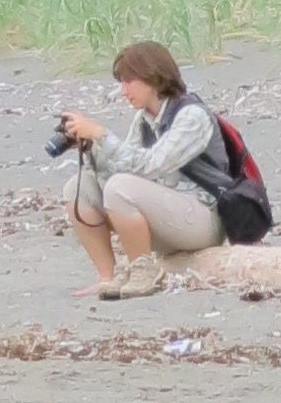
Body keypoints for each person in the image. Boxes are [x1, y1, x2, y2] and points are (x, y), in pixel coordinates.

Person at [55, 41, 242, 297]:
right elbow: (122, 169)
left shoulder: (192, 116)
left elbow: (151, 165)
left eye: (128, 81)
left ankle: (142, 270)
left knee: (120, 188)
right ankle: (108, 276)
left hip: (204, 218)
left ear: (153, 76)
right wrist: (92, 150)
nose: (123, 91)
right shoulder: (143, 119)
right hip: (166, 216)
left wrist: (102, 135)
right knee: (79, 188)